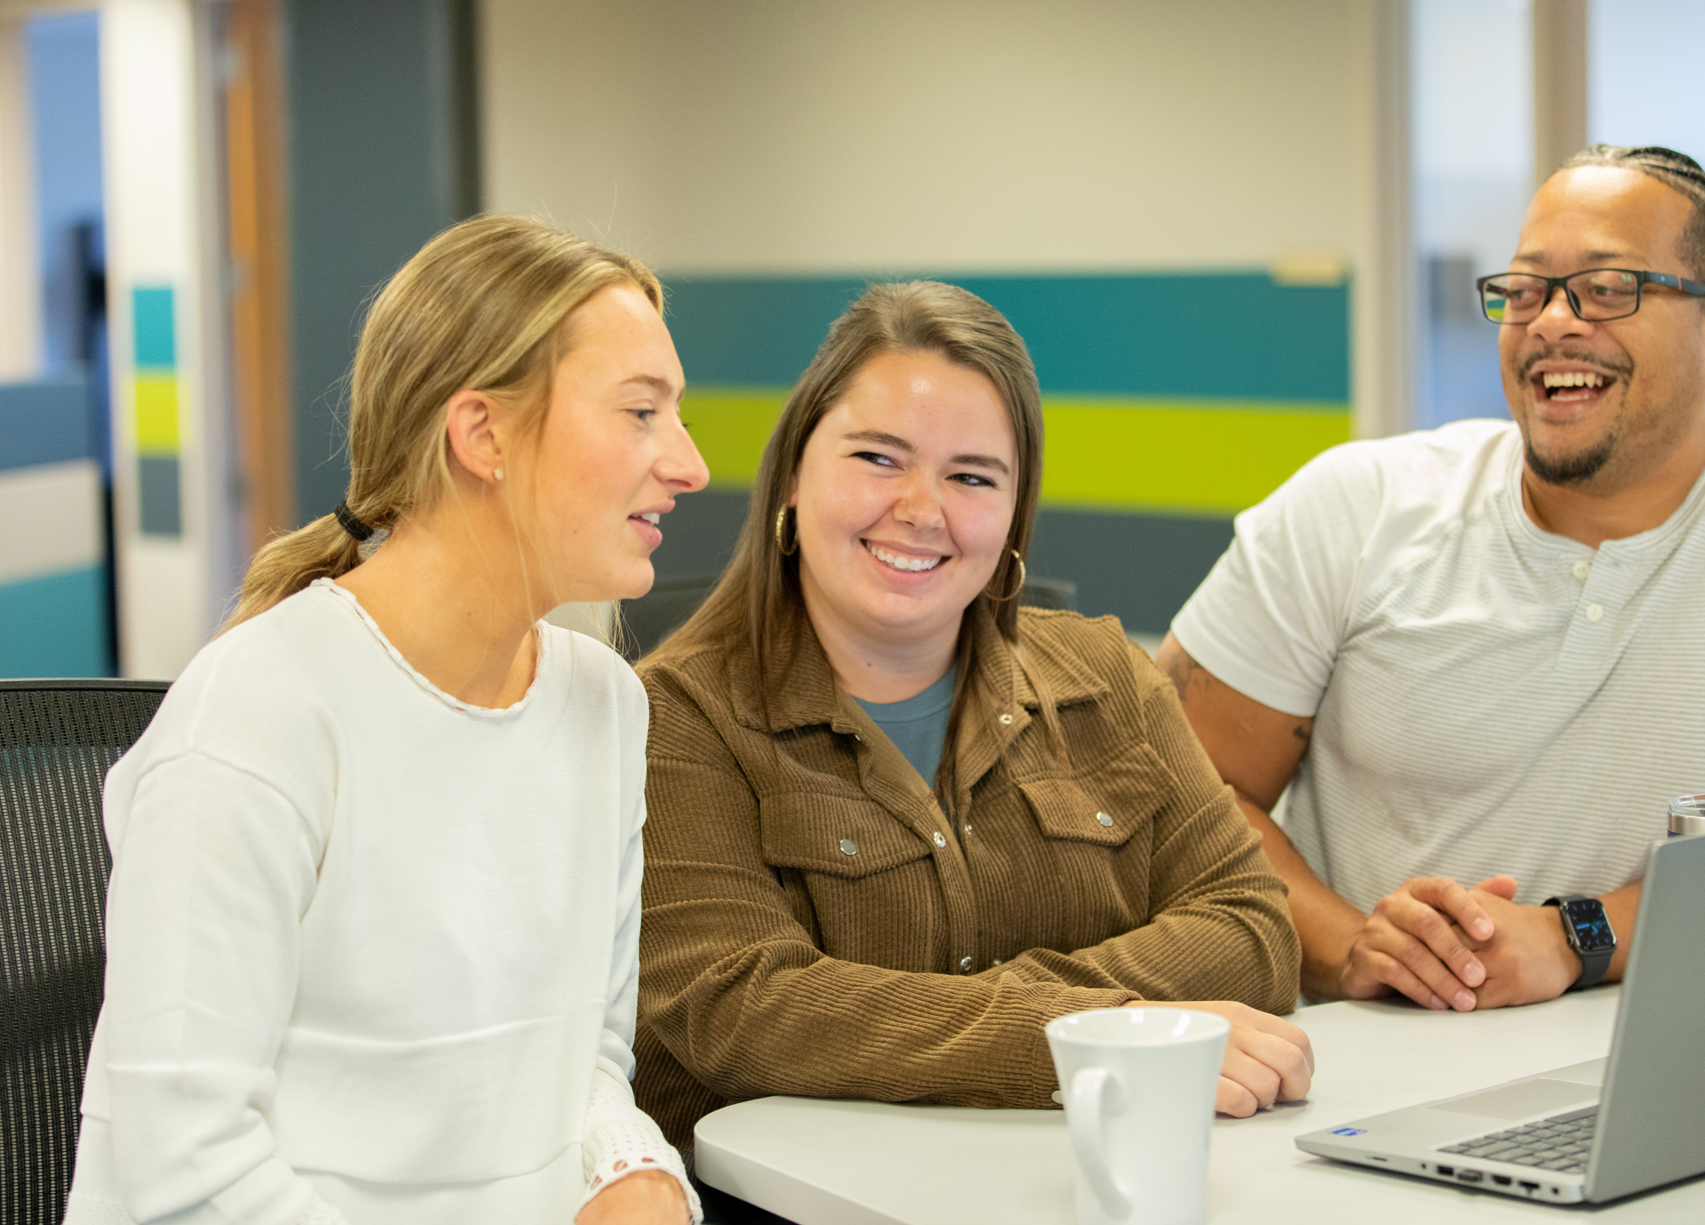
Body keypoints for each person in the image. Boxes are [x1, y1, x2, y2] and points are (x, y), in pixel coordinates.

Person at [1158, 146, 1705, 1016]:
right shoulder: (1357, 505)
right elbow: (1179, 794)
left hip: (1677, 1047)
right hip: (1357, 1061)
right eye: (1524, 291)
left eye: (1608, 288)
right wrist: (1358, 953)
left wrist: (1571, 939)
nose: (1553, 322)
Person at [65, 217, 709, 1225]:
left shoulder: (603, 701)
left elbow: (579, 1058)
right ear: (482, 434)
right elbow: (180, 1171)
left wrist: (631, 1172)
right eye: (640, 413)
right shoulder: (259, 712)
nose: (689, 463)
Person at [630, 281, 1310, 1162]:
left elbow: (1254, 928)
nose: (921, 508)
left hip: (1084, 1179)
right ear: (794, 473)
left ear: (1014, 516)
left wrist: (966, 1020)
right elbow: (745, 1007)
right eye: (878, 458)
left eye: (971, 476)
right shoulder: (675, 717)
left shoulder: (1108, 676)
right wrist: (1098, 1030)